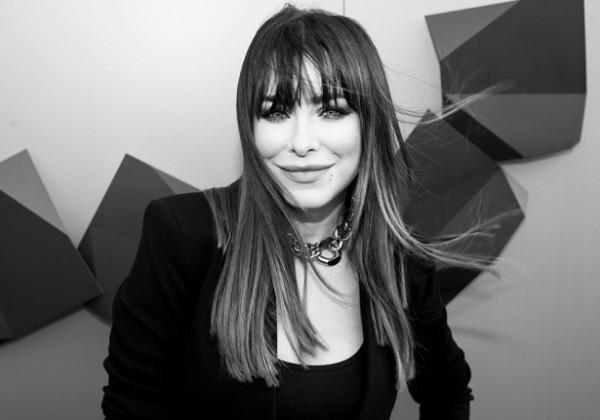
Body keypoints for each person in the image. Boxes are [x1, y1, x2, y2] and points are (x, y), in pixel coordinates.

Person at [102, 5, 477, 420]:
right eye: (276, 112)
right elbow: (131, 408)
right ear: (250, 127)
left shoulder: (399, 258)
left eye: (332, 110)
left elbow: (449, 393)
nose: (301, 143)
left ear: (368, 124)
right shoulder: (183, 236)